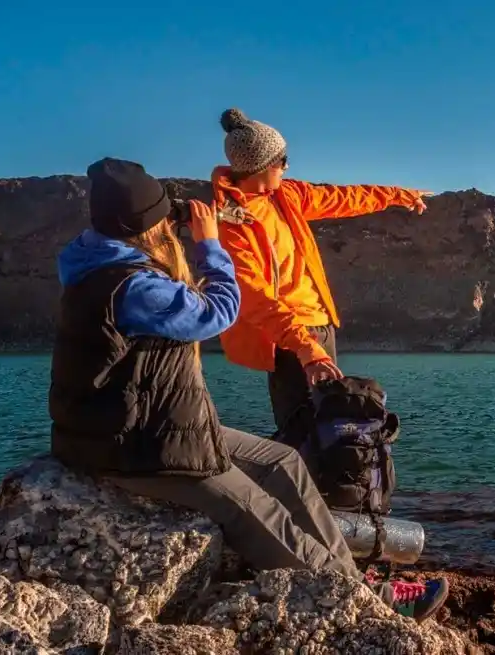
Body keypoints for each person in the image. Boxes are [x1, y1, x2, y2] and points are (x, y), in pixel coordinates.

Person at [48, 157, 447, 622]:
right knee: (257, 509)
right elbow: (218, 311)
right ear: (144, 227)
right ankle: (359, 603)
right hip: (136, 445)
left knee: (284, 462)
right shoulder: (135, 286)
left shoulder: (94, 259)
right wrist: (211, 245)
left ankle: (348, 572)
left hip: (138, 424)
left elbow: (341, 198)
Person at [209, 108, 430, 447]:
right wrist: (306, 349)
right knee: (303, 433)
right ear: (263, 166)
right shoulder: (234, 222)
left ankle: (325, 496)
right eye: (283, 160)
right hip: (288, 337)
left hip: (319, 328)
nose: (287, 166)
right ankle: (306, 498)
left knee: (328, 428)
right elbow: (254, 296)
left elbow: (344, 198)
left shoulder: (286, 195)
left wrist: (398, 195)